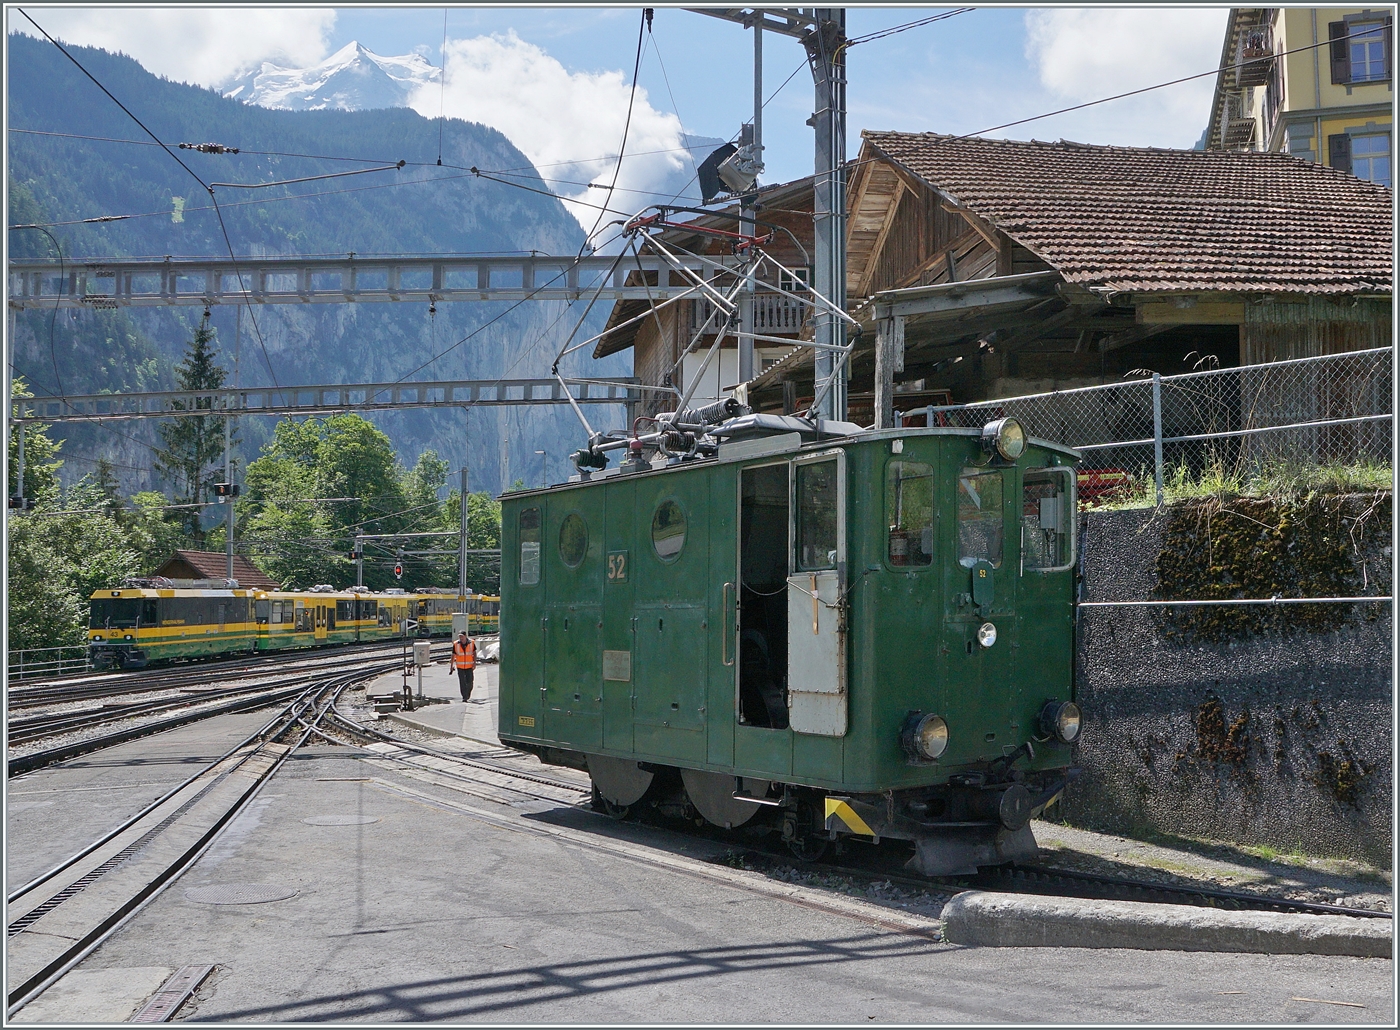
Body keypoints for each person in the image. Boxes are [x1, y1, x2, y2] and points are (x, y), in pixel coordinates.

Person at [451, 630, 476, 702]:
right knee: (462, 682)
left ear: (465, 636)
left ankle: (467, 694)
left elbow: (474, 653)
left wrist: (474, 663)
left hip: (469, 666)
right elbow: (453, 655)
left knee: (470, 682)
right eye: (459, 636)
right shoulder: (456, 644)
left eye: (462, 636)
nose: (461, 638)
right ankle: (464, 697)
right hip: (460, 666)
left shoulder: (471, 643)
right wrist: (451, 666)